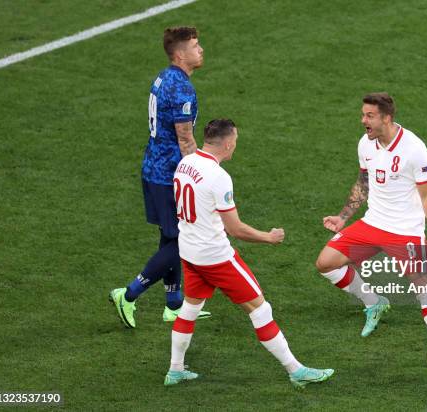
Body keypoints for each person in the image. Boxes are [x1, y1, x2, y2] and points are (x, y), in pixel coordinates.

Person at [164, 119, 334, 388]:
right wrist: (269, 237)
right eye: (236, 143)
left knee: (190, 307)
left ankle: (175, 369)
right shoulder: (218, 177)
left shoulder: (185, 163)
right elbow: (235, 229)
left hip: (189, 250)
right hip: (215, 256)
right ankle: (296, 370)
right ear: (228, 143)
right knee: (260, 309)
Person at [315, 93, 427, 371]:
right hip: (373, 223)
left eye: (369, 115)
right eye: (363, 114)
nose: (363, 120)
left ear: (386, 118)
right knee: (326, 264)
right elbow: (363, 183)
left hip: (404, 231)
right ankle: (374, 302)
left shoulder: (414, 149)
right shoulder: (365, 143)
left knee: (422, 285)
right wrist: (343, 217)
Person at [110, 26, 210, 328]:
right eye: (195, 46)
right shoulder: (181, 88)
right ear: (180, 55)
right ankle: (129, 294)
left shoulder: (163, 77)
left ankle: (174, 304)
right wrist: (199, 174)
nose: (201, 49)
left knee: (170, 236)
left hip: (153, 167)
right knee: (183, 241)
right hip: (169, 176)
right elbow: (185, 139)